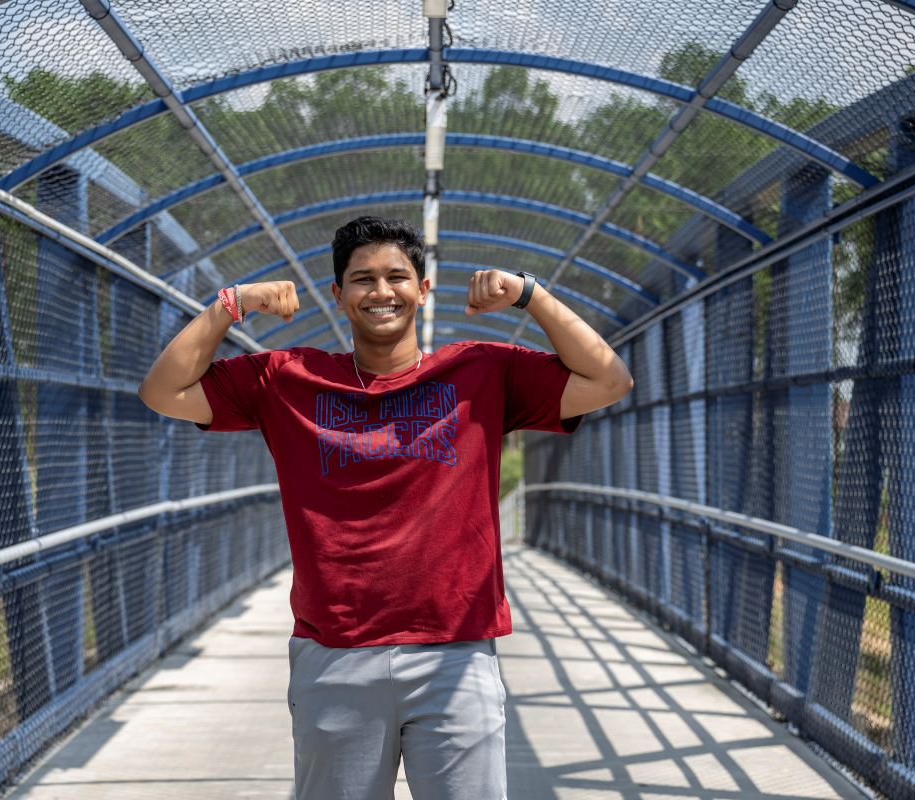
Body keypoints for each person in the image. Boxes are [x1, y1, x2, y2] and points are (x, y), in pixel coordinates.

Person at [138, 216, 633, 799]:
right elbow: (162, 392)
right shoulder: (286, 379)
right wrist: (231, 304)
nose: (381, 291)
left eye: (397, 277)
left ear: (423, 289)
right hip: (336, 655)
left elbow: (610, 380)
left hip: (455, 653)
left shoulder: (483, 371)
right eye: (362, 279)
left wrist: (530, 294)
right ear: (338, 294)